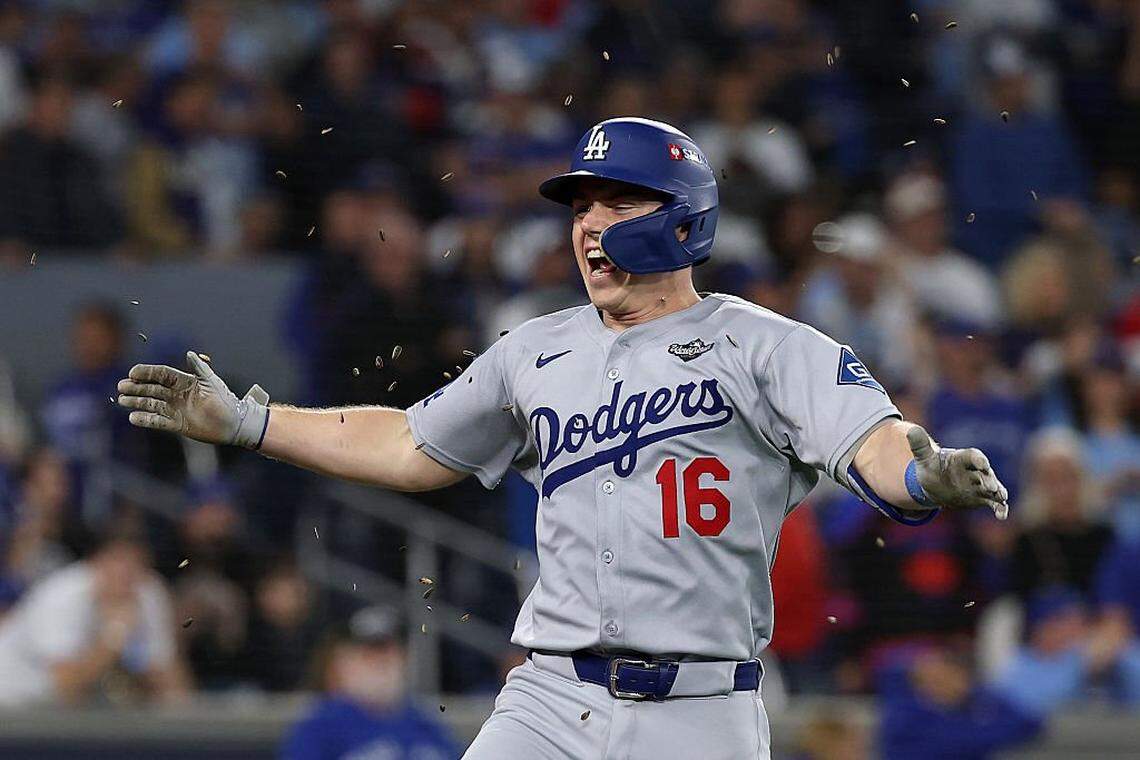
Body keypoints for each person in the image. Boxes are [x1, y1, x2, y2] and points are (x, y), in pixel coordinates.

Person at [117, 118, 1010, 759]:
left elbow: (875, 442)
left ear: (683, 217)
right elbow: (410, 444)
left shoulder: (767, 346)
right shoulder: (534, 350)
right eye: (580, 205)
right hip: (552, 700)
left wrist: (923, 477)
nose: (588, 224)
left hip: (703, 711)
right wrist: (251, 423)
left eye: (616, 202)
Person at [0, 523, 191, 707]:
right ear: (95, 562)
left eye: (136, 564)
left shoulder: (148, 591)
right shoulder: (61, 595)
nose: (125, 573)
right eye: (117, 561)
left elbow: (169, 676)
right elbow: (65, 687)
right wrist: (115, 635)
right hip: (12, 699)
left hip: (70, 707)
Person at [281, 606, 458, 760]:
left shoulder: (425, 724)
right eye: (370, 654)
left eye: (389, 652)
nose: (381, 662)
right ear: (346, 662)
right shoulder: (321, 725)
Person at [878, 647, 1042, 760]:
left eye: (949, 677)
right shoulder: (905, 715)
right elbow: (955, 742)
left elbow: (1028, 723)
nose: (941, 684)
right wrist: (987, 731)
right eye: (932, 680)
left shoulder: (983, 700)